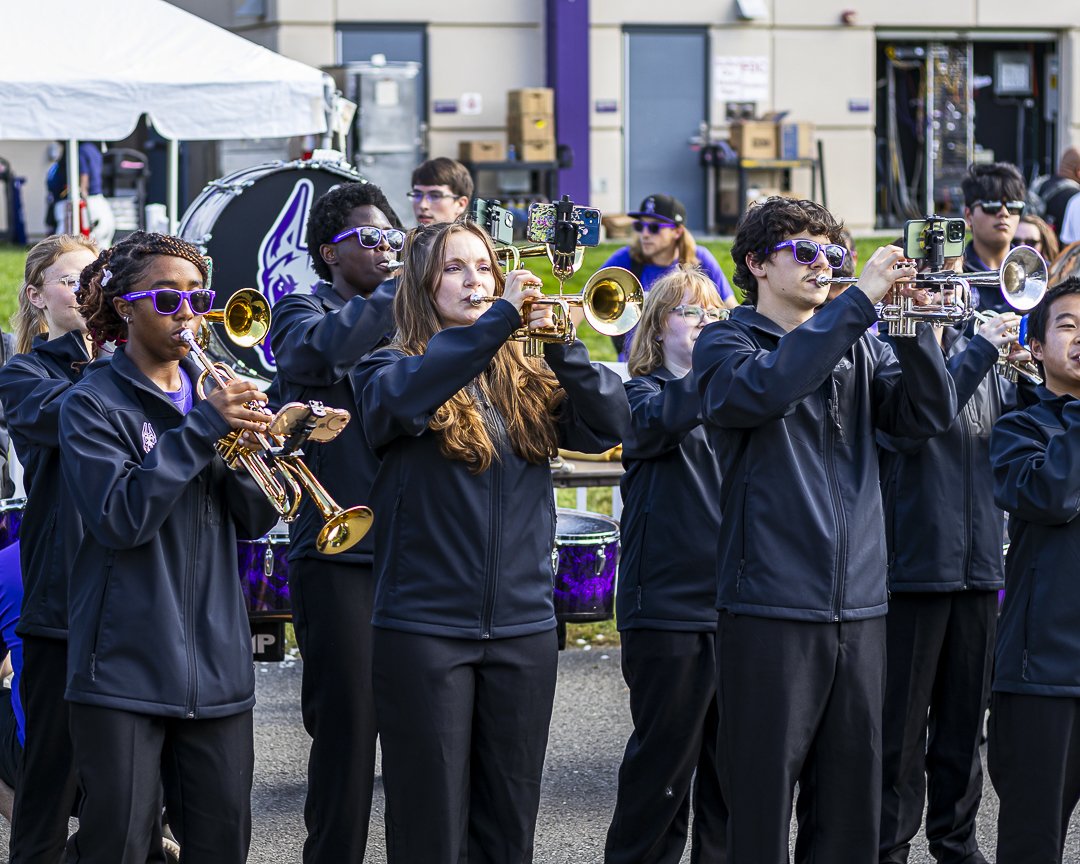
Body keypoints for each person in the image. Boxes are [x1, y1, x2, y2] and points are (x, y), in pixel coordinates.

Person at [354, 219, 628, 863]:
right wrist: (499, 321)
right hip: (425, 629)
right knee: (430, 826)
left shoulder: (523, 375)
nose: (474, 280)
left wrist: (565, 347)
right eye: (454, 268)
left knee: (509, 825)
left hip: (523, 628)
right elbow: (408, 398)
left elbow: (614, 425)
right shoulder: (387, 366)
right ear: (422, 284)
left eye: (483, 267)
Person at [694, 196, 956, 863]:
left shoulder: (855, 348)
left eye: (833, 254)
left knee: (848, 815)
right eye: (803, 251)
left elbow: (925, 416)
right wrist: (858, 303)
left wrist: (913, 323)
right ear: (755, 263)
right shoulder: (726, 342)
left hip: (862, 608)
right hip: (770, 607)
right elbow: (765, 390)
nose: (823, 264)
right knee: (759, 809)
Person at [57, 232, 280, 863]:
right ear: (126, 307)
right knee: (119, 846)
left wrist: (263, 448)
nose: (189, 314)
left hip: (217, 667)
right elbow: (121, 518)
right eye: (167, 298)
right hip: (123, 668)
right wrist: (203, 428)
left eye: (198, 297)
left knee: (221, 844)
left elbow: (258, 516)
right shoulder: (91, 404)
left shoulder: (213, 396)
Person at [268, 180, 403, 863]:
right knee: (349, 736)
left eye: (395, 239)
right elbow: (312, 355)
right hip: (338, 555)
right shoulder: (300, 309)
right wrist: (399, 289)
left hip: (417, 553)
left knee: (421, 740)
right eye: (372, 239)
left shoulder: (414, 320)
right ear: (329, 251)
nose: (387, 250)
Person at [875, 253, 1022, 864]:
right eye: (935, 271)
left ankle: (956, 841)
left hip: (981, 562)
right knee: (900, 732)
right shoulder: (889, 348)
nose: (949, 284)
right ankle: (889, 844)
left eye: (957, 271)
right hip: (913, 563)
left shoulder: (979, 344)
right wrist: (980, 353)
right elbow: (913, 426)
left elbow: (1007, 435)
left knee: (964, 727)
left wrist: (1028, 374)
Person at [604, 266, 727, 864]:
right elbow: (663, 422)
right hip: (669, 609)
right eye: (691, 313)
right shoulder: (641, 394)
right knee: (663, 773)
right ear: (657, 328)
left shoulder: (733, 395)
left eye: (713, 313)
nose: (706, 323)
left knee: (731, 778)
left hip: (735, 606)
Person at [0, 233, 99, 862]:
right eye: (71, 280)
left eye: (98, 277)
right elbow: (78, 419)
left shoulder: (146, 364)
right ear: (37, 296)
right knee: (51, 772)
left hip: (138, 591)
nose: (88, 290)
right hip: (62, 592)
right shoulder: (26, 371)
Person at [987, 276, 1080, 864]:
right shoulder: (1020, 429)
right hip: (1041, 674)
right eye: (1069, 325)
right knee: (1031, 844)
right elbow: (1053, 496)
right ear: (1037, 346)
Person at [599, 194, 736, 359]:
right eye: (640, 226)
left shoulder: (700, 259)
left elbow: (730, 310)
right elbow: (581, 304)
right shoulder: (625, 258)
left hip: (690, 364)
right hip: (634, 365)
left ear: (677, 231)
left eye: (654, 228)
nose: (645, 234)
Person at [961, 162, 1027, 314]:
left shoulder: (1042, 272)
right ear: (968, 215)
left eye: (1013, 206)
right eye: (991, 205)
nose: (1004, 213)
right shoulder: (953, 273)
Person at [46, 142, 116, 248]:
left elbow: (84, 175)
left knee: (64, 245)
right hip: (99, 203)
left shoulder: (78, 150)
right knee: (101, 247)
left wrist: (82, 195)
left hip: (87, 203)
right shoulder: (93, 149)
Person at [408, 157, 473, 227]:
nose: (423, 205)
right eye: (417, 195)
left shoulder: (470, 238)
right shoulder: (404, 237)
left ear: (461, 204)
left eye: (435, 196)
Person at [1031, 146, 1080, 239]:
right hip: (1059, 251)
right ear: (1078, 171)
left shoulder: (1040, 184)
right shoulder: (1075, 198)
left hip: (1035, 247)